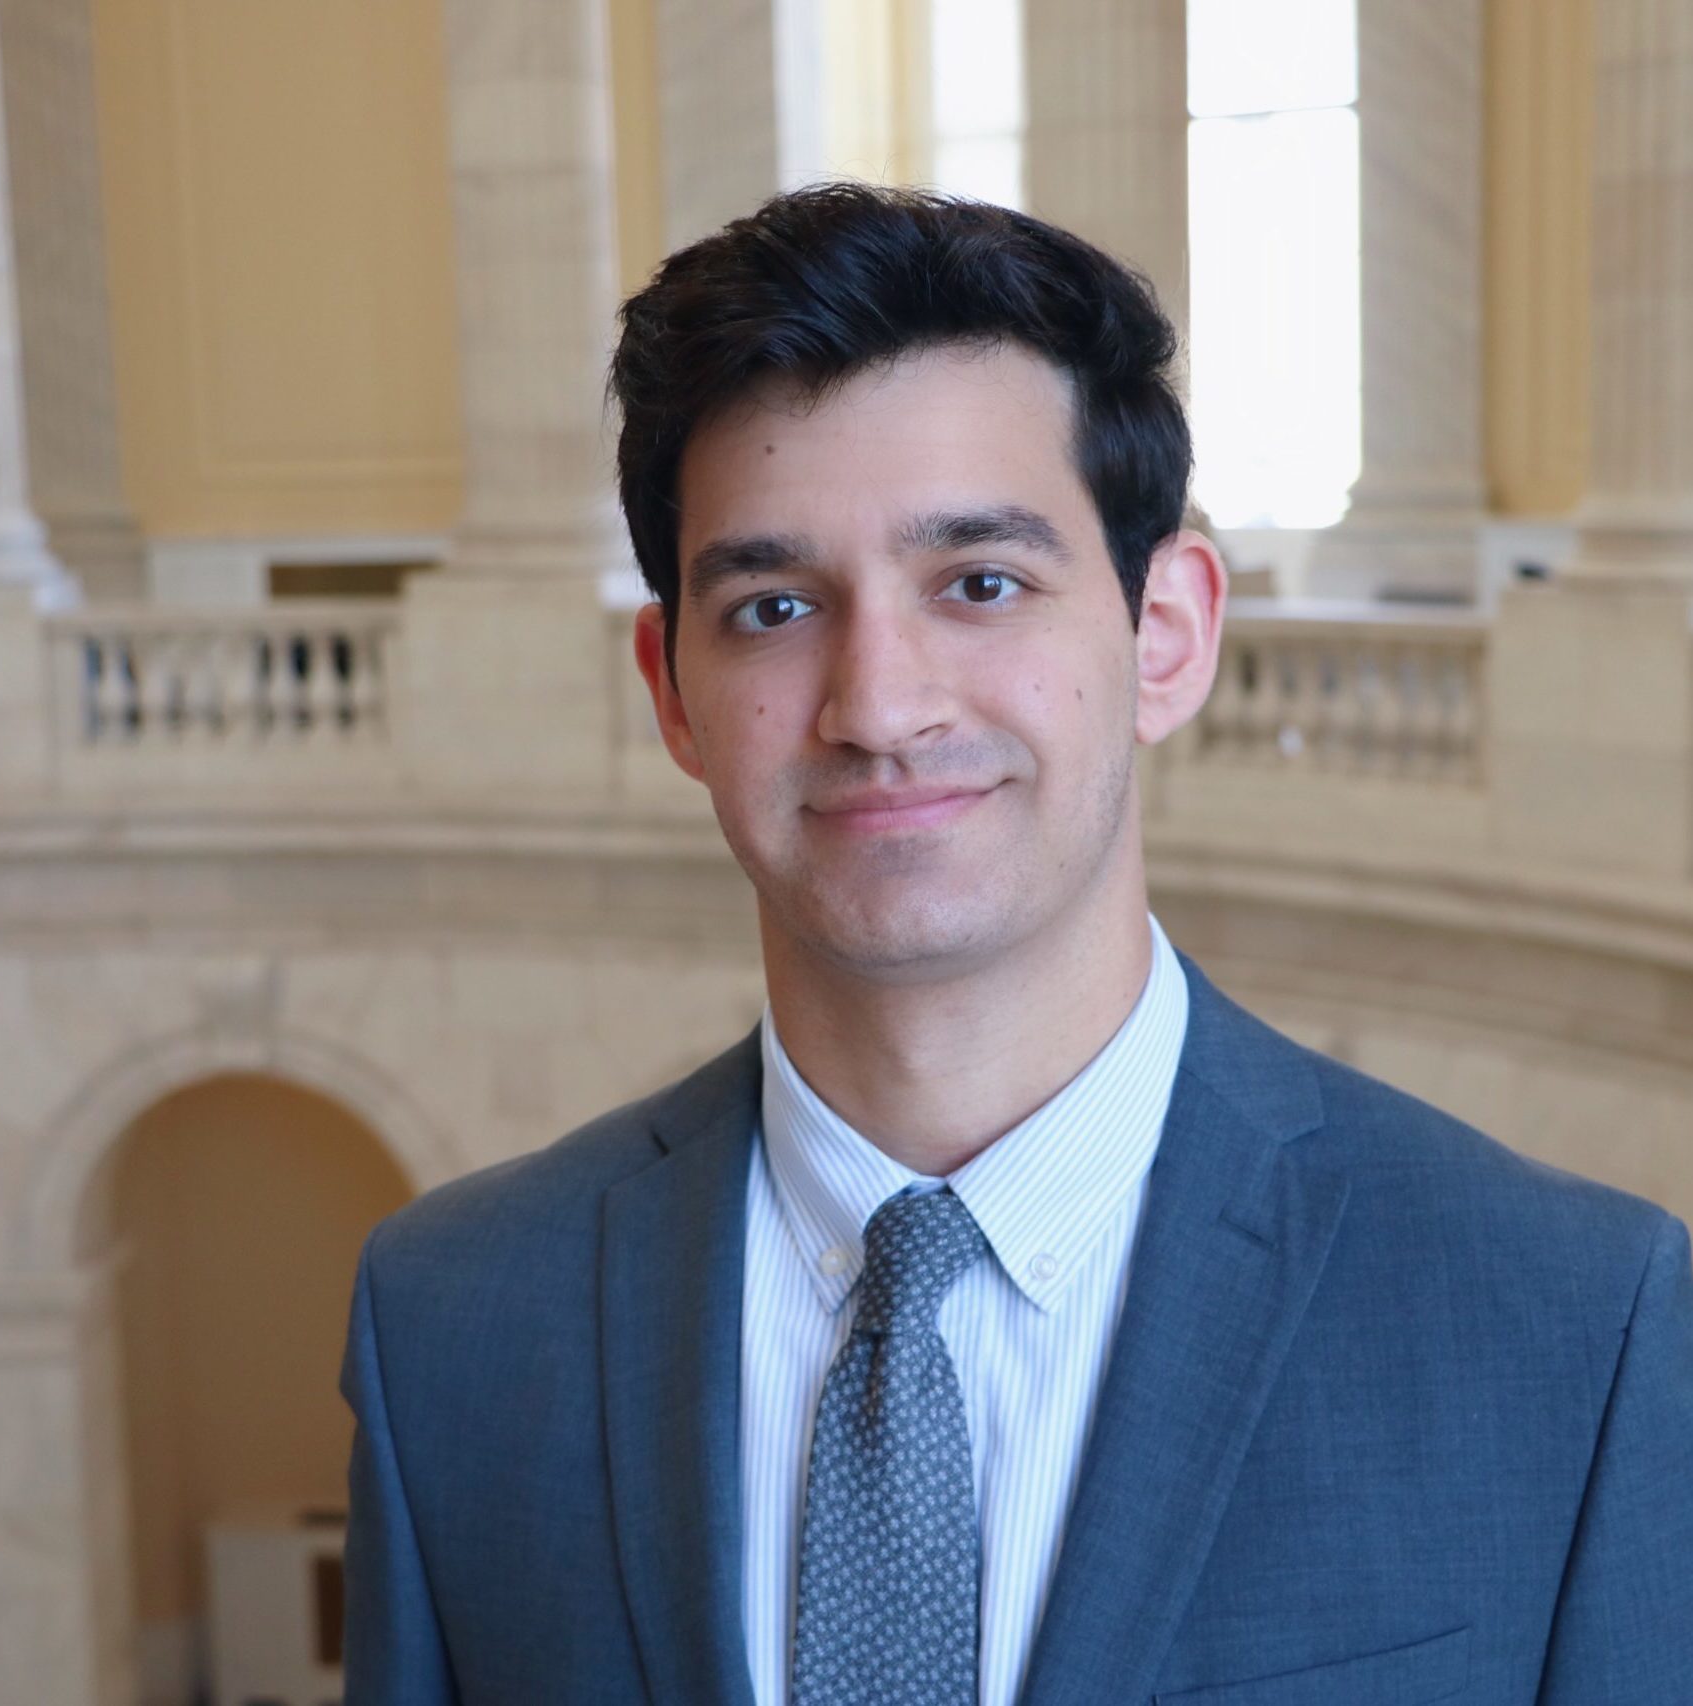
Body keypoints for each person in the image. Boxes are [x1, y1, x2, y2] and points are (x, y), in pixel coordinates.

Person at [340, 184, 1693, 1705]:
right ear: (671, 689)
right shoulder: (452, 1319)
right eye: (774, 606)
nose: (878, 704)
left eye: (979, 585)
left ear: (1164, 631)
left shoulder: (1566, 1318)